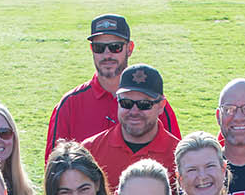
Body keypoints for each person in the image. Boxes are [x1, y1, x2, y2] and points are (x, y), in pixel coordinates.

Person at [46, 13, 180, 148]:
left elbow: (176, 158)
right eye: (99, 48)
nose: (107, 54)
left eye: (115, 47)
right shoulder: (69, 105)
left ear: (130, 48)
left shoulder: (153, 103)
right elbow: (54, 166)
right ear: (92, 49)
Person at [83, 63, 181, 191]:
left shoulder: (178, 156)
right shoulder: (90, 150)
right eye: (126, 103)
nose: (134, 112)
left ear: (161, 105)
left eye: (144, 104)